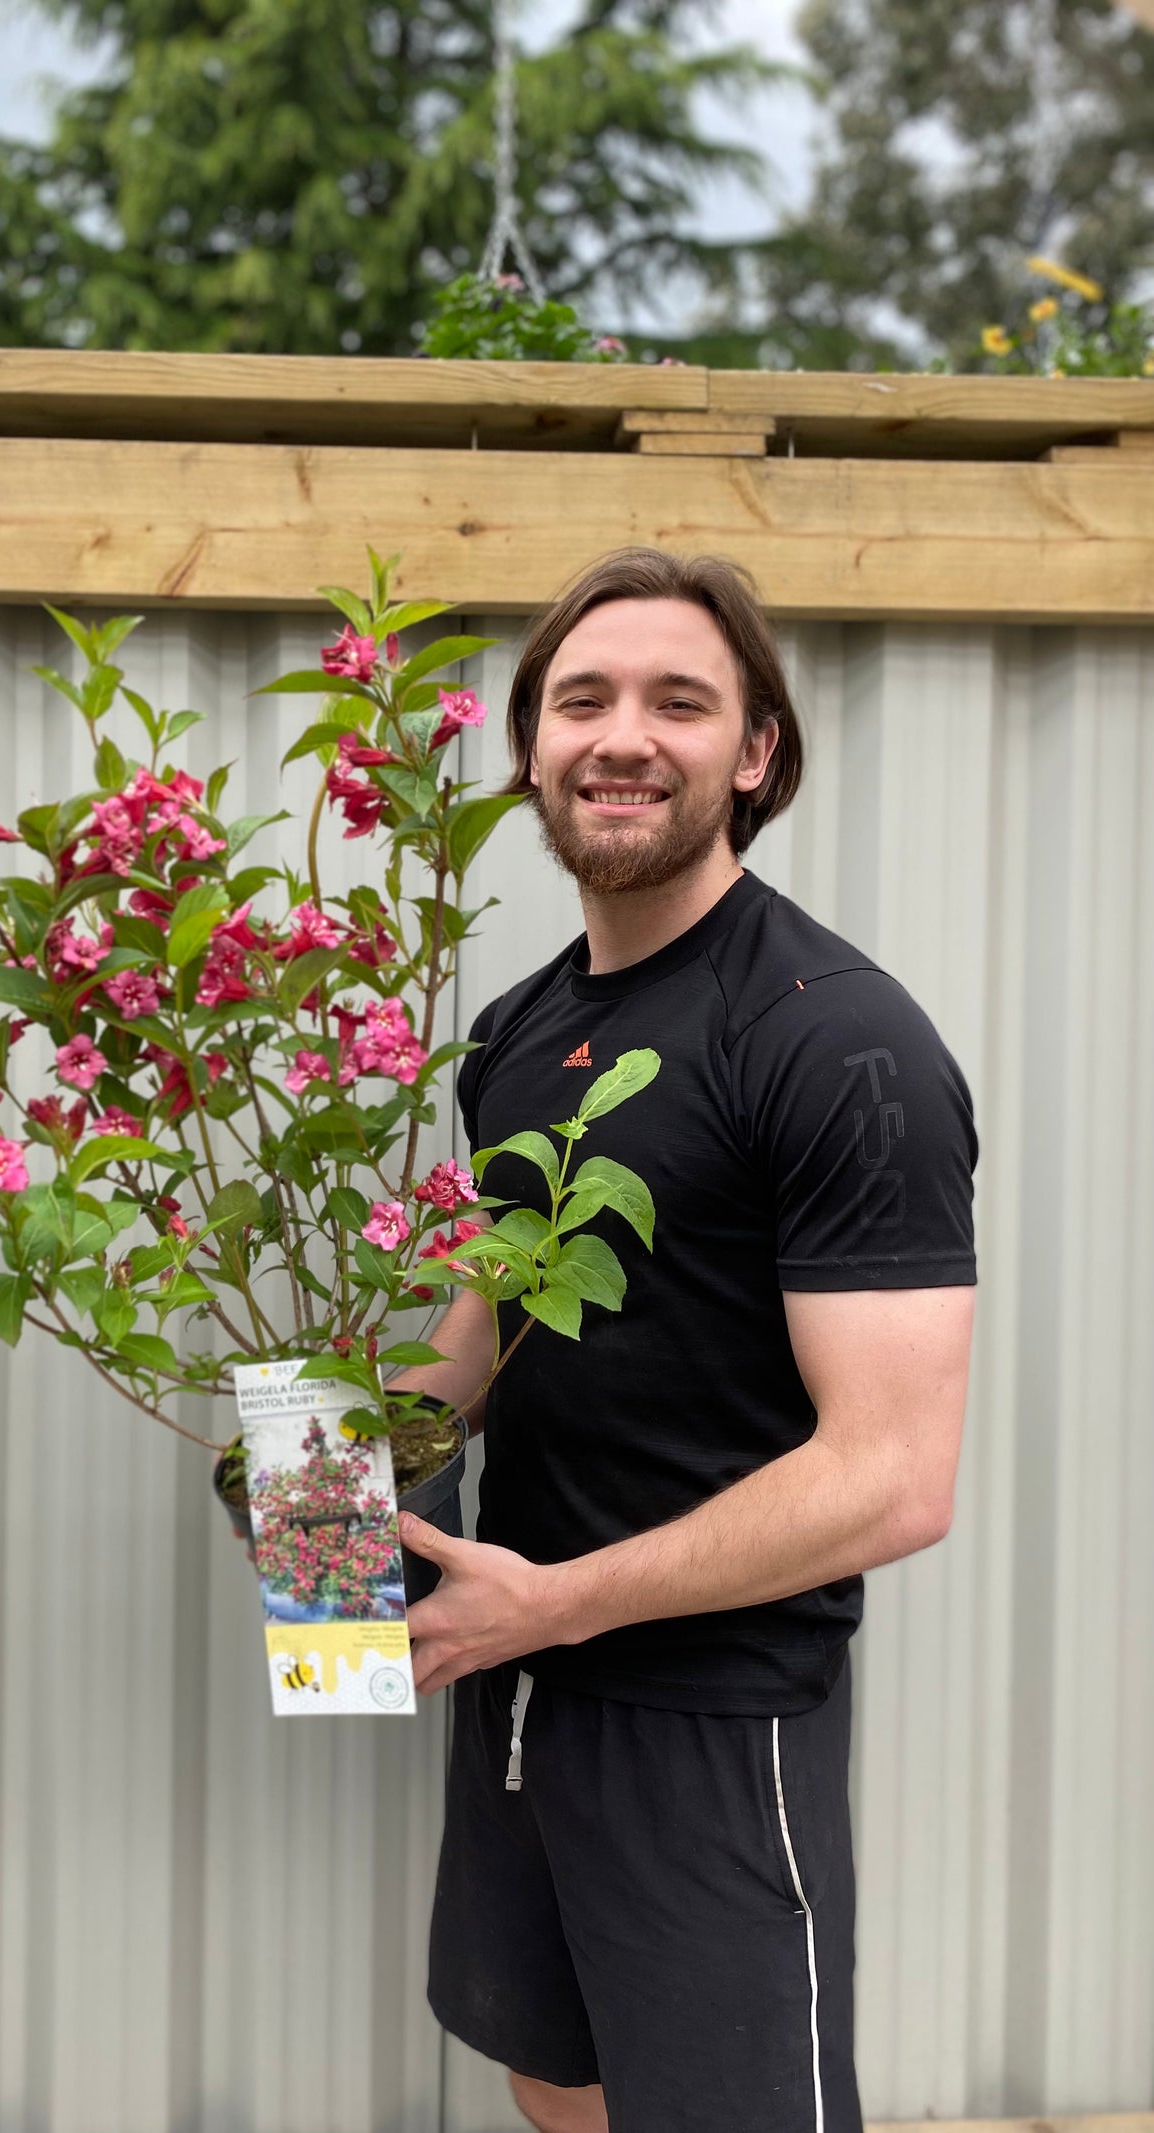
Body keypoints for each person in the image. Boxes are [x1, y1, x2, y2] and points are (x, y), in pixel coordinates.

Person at [393, 548, 978, 2133]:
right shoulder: (518, 1034)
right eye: (581, 698)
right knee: (551, 2069)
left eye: (679, 700)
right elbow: (479, 1327)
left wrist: (555, 1607)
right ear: (532, 752)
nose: (622, 735)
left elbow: (894, 1478)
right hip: (516, 1677)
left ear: (756, 752)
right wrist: (325, 1467)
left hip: (715, 1715)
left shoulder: (834, 1037)